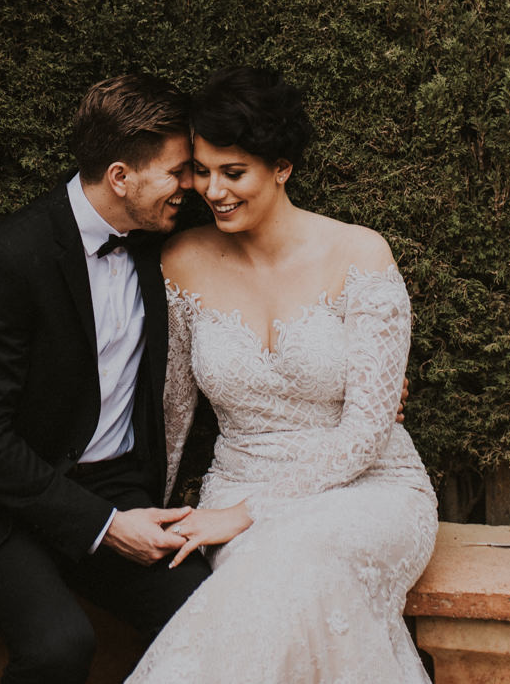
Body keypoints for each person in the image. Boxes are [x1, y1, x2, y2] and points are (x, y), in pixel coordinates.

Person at [126, 66, 439, 683]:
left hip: (371, 491)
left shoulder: (361, 254)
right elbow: (172, 413)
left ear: (282, 168)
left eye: (233, 172)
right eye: (203, 170)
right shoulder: (181, 260)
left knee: (303, 554)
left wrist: (250, 512)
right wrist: (147, 513)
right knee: (281, 571)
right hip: (236, 485)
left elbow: (368, 431)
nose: (213, 190)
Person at [0, 74, 213, 684]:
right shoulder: (9, 258)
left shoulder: (164, 244)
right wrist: (102, 527)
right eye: (178, 172)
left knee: (208, 610)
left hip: (118, 487)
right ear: (120, 177)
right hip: (4, 507)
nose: (192, 186)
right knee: (58, 646)